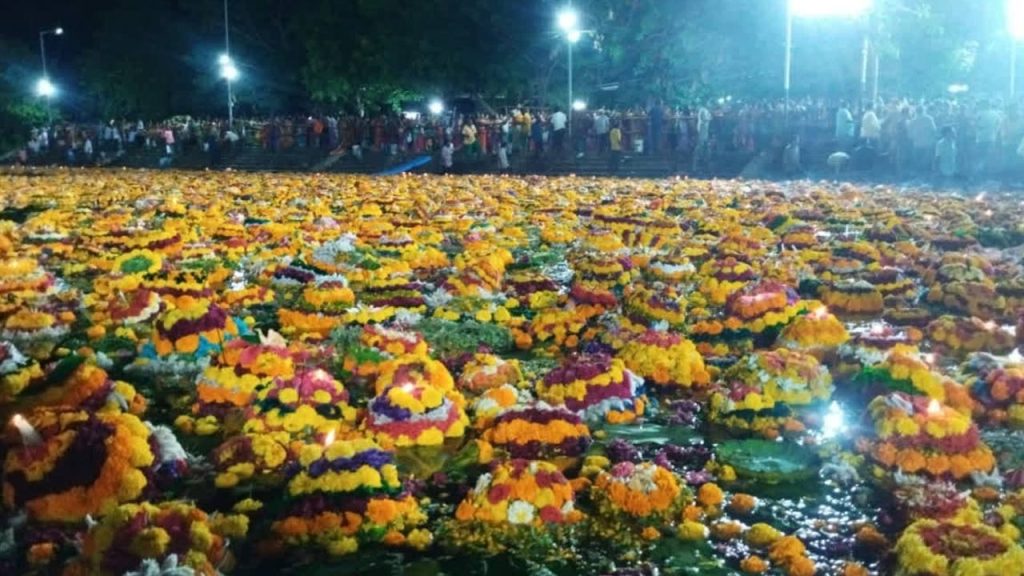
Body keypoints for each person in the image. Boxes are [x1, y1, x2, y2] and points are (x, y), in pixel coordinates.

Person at [975, 100, 1003, 177]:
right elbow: (999, 124)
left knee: (981, 157)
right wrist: (995, 131)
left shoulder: (979, 114)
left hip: (981, 139)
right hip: (991, 138)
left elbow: (976, 125)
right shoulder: (996, 114)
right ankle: (987, 173)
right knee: (989, 156)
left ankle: (982, 174)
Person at [908, 106, 937, 174]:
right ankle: (926, 175)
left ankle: (919, 175)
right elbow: (933, 130)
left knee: (918, 161)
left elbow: (909, 134)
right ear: (924, 110)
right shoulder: (929, 119)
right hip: (928, 143)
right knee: (927, 161)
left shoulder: (913, 121)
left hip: (917, 144)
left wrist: (914, 138)